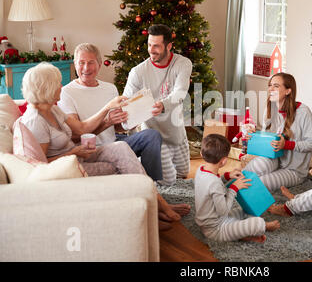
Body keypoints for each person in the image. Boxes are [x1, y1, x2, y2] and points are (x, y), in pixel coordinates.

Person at [21, 62, 187, 231]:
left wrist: (108, 108)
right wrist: (72, 152)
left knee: (121, 146)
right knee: (116, 167)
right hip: (67, 167)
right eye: (57, 83)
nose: (60, 86)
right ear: (46, 87)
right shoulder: (35, 121)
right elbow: (40, 166)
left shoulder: (52, 110)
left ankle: (156, 204)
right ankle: (149, 214)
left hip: (78, 155)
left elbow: (82, 128)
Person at [58, 43, 163, 182]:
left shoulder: (110, 89)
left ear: (99, 65)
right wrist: (107, 122)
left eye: (91, 63)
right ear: (75, 64)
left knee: (152, 135)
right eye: (81, 63)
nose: (85, 68)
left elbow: (117, 127)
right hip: (90, 150)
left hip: (114, 142)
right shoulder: (66, 92)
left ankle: (153, 185)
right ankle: (144, 185)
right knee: (120, 145)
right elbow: (76, 135)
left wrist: (131, 121)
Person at [123, 24, 192, 186]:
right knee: (166, 182)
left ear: (169, 46)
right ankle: (146, 163)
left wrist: (162, 104)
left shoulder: (183, 63)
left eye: (156, 46)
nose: (151, 49)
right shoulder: (138, 72)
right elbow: (126, 99)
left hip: (176, 131)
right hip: (153, 137)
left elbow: (180, 93)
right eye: (149, 44)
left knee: (182, 174)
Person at [194, 134, 280, 243]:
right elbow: (224, 211)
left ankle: (239, 234)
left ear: (202, 154)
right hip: (215, 230)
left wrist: (227, 176)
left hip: (215, 220)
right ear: (224, 161)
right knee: (255, 222)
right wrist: (234, 188)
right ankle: (263, 226)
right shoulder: (214, 183)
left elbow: (210, 186)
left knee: (244, 211)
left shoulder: (201, 170)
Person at [243, 72, 312, 192]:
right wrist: (254, 135)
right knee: (254, 169)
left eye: (276, 86)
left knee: (258, 184)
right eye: (270, 85)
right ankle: (230, 186)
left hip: (294, 170)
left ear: (288, 90)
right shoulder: (269, 109)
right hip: (275, 160)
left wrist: (286, 145)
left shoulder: (303, 112)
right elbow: (268, 140)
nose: (270, 89)